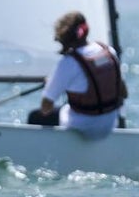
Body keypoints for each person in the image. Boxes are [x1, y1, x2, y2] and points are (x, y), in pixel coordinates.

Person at [38, 11, 127, 139]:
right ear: (86, 30)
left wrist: (50, 85)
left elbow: (45, 108)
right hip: (109, 125)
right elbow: (124, 93)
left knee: (35, 116)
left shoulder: (67, 63)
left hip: (84, 130)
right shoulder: (109, 52)